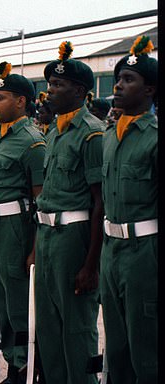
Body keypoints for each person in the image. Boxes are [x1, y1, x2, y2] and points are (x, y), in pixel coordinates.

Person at [36, 41, 104, 384]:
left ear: (79, 91)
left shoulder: (91, 133)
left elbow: (99, 202)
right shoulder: (55, 132)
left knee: (76, 328)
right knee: (48, 328)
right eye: (49, 84)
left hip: (74, 239)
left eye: (58, 85)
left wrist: (91, 264)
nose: (50, 91)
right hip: (47, 236)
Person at [0, 62, 46, 383]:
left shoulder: (32, 142)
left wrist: (33, 248)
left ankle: (24, 368)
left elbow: (40, 201)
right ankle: (12, 362)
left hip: (16, 231)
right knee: (1, 304)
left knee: (19, 304)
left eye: (1, 97)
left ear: (21, 101)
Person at [101, 35, 157, 384]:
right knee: (117, 346)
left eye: (128, 80)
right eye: (118, 79)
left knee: (146, 347)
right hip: (112, 249)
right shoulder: (111, 136)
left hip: (144, 253)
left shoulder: (154, 137)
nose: (118, 86)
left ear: (150, 90)